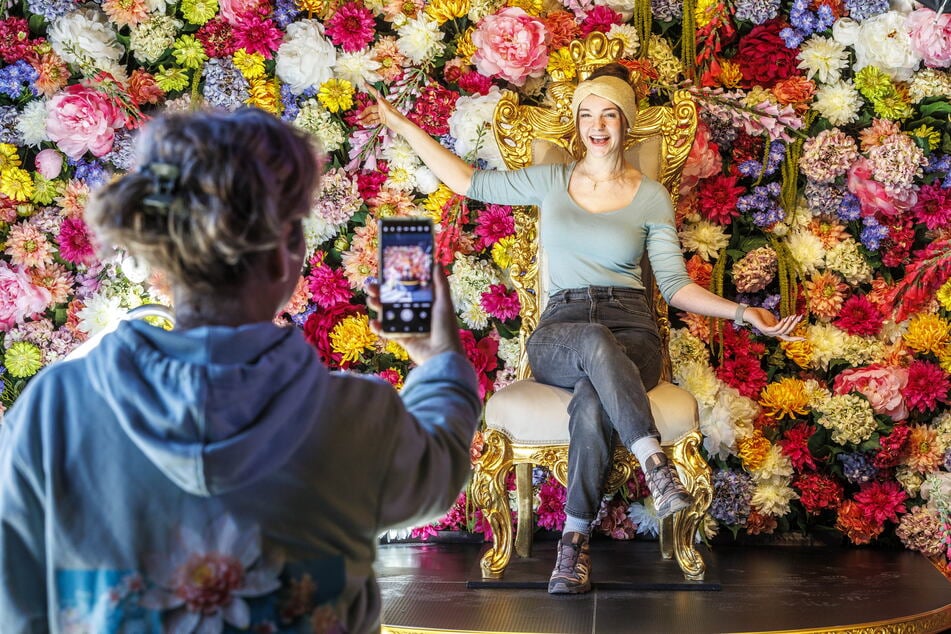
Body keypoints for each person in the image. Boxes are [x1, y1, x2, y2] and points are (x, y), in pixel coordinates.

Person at [0, 108, 482, 632]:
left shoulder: (54, 409)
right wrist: (438, 359)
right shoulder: (357, 416)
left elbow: (16, 598)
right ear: (284, 258)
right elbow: (440, 469)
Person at [361, 64, 801, 595]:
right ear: (576, 122)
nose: (597, 125)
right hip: (561, 330)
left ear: (625, 123)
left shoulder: (651, 197)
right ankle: (655, 465)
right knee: (592, 344)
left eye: (609, 114)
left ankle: (572, 548)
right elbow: (467, 181)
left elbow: (674, 286)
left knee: (593, 397)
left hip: (633, 329)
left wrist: (743, 312)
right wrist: (402, 124)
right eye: (587, 114)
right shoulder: (552, 180)